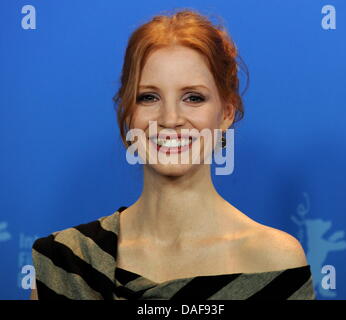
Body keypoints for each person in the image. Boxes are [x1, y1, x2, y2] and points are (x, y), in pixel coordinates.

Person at [30, 8, 316, 300]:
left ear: (227, 113)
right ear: (127, 111)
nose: (170, 118)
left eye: (193, 97)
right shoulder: (65, 262)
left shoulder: (274, 261)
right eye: (148, 97)